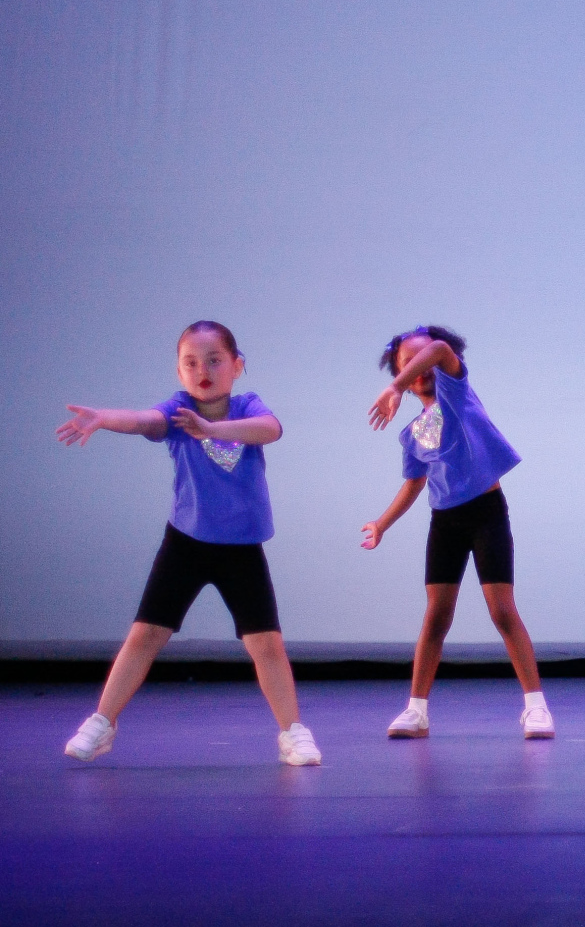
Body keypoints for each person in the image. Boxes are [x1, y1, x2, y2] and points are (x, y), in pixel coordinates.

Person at [57, 321, 320, 766]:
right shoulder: (177, 411)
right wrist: (104, 419)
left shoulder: (247, 406)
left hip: (241, 548)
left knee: (266, 644)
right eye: (191, 363)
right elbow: (145, 420)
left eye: (214, 360)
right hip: (186, 544)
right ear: (180, 372)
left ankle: (293, 732)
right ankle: (102, 722)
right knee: (145, 634)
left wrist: (210, 429)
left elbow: (270, 429)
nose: (203, 371)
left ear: (237, 366)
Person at [362, 326, 553, 740]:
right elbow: (414, 484)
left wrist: (395, 385)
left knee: (502, 610)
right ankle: (416, 711)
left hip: (486, 513)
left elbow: (439, 348)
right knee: (436, 616)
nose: (420, 368)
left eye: (422, 361)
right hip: (445, 522)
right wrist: (381, 523)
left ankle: (536, 707)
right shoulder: (414, 431)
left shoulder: (456, 391)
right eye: (407, 364)